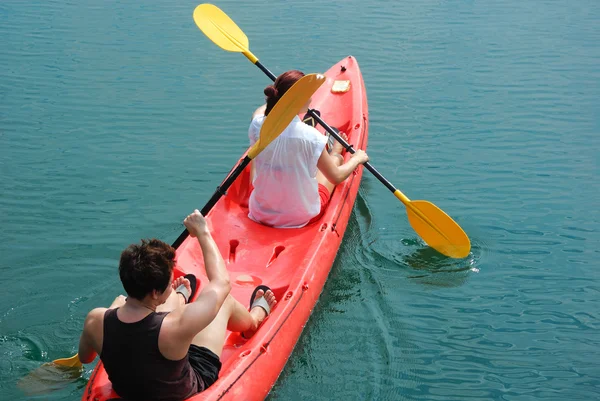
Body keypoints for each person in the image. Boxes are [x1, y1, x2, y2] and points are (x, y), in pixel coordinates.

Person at [77, 210, 277, 401]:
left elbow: (86, 358)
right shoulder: (175, 325)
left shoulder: (96, 319)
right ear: (155, 292)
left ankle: (179, 297)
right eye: (167, 284)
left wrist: (112, 313)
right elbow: (221, 284)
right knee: (223, 301)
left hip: (129, 387)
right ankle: (254, 321)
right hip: (185, 385)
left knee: (157, 306)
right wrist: (202, 232)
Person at [248, 70, 369, 228]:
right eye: (309, 95)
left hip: (259, 212)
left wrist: (281, 100)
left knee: (258, 159)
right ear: (299, 100)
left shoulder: (257, 125)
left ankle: (327, 155)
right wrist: (357, 158)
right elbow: (336, 177)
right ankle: (335, 154)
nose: (312, 98)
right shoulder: (312, 137)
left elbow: (259, 112)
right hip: (300, 218)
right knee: (335, 162)